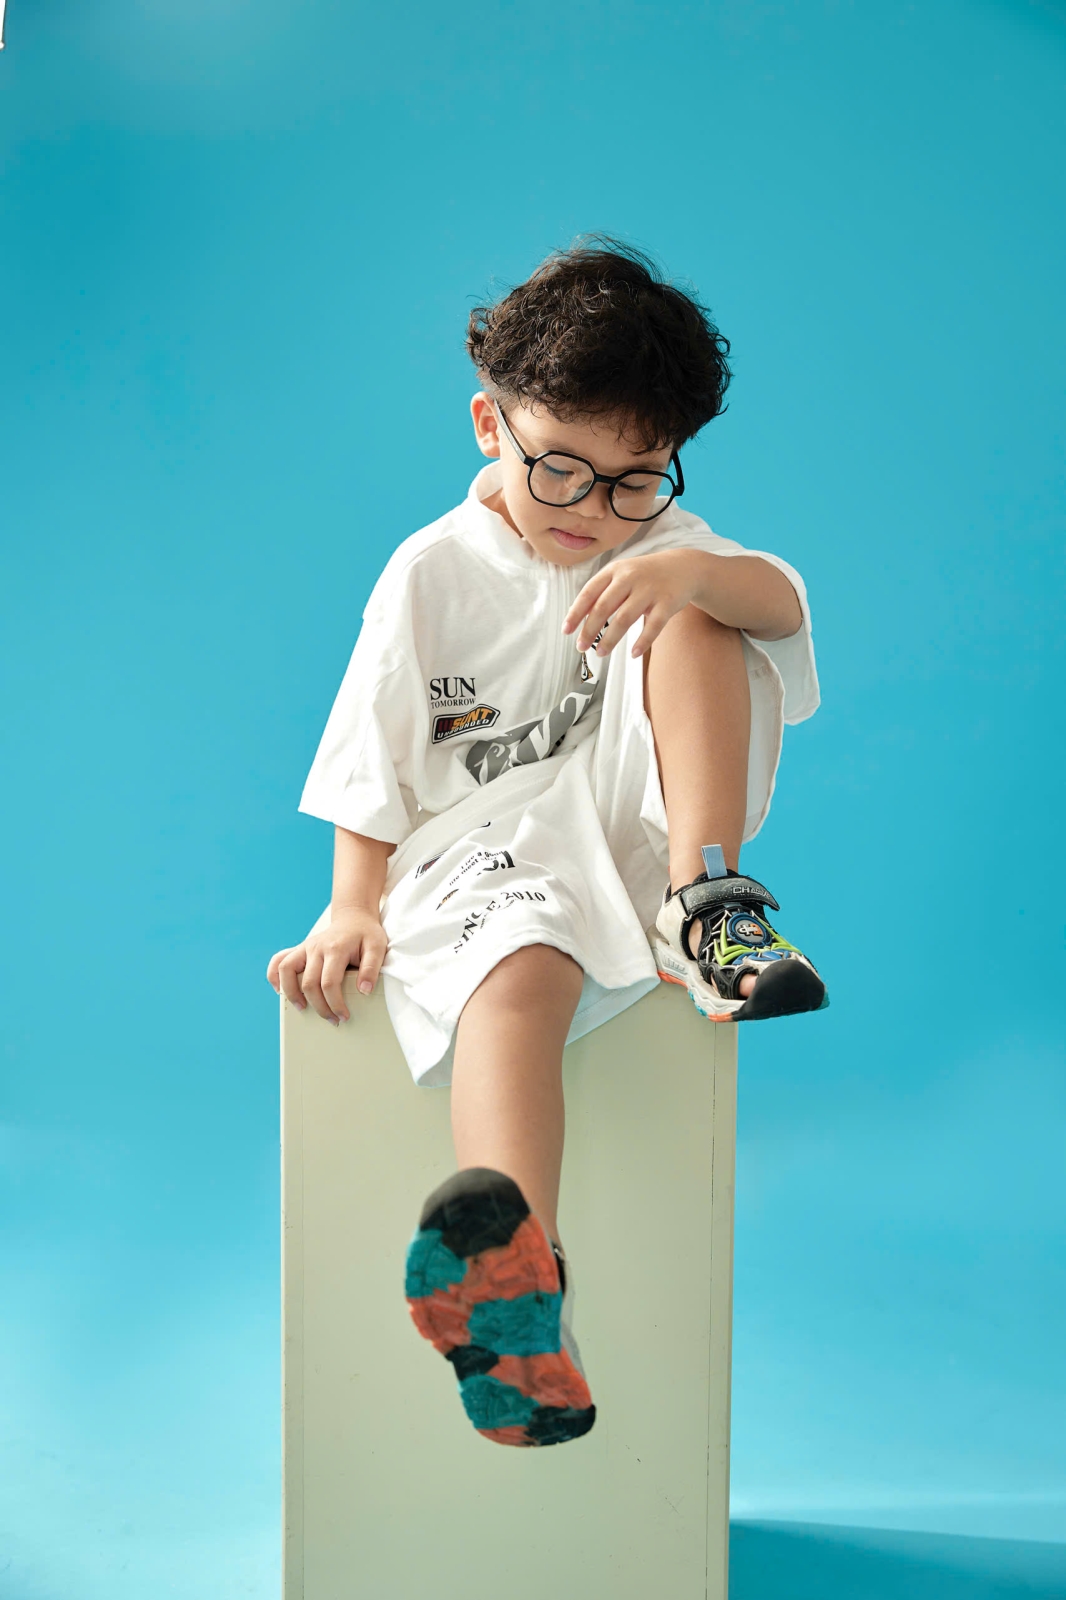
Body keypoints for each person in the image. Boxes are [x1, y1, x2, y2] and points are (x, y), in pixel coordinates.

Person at [267, 239, 826, 1449]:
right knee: (518, 974)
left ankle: (712, 906)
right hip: (484, 857)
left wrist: (690, 567)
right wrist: (352, 901)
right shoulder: (430, 572)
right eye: (561, 470)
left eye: (636, 480)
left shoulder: (656, 539)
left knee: (703, 609)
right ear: (490, 426)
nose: (594, 511)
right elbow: (370, 746)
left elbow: (780, 605)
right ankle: (518, 1287)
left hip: (636, 837)